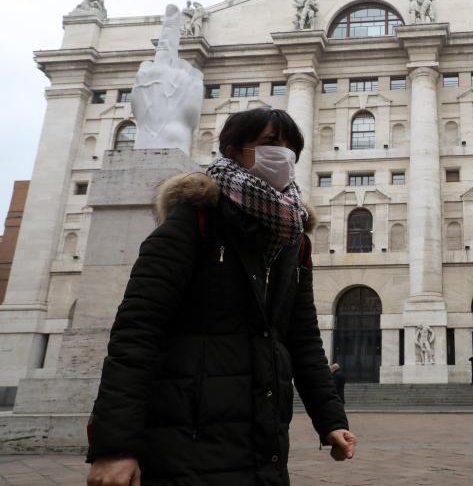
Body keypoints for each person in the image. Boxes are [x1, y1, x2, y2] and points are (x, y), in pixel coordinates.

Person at [86, 108, 356, 485]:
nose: (283, 155)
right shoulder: (194, 220)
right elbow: (136, 334)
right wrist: (114, 447)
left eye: (291, 148)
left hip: (263, 442)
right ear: (232, 149)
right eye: (269, 144)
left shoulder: (294, 237)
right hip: (187, 438)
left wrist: (330, 421)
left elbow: (303, 339)